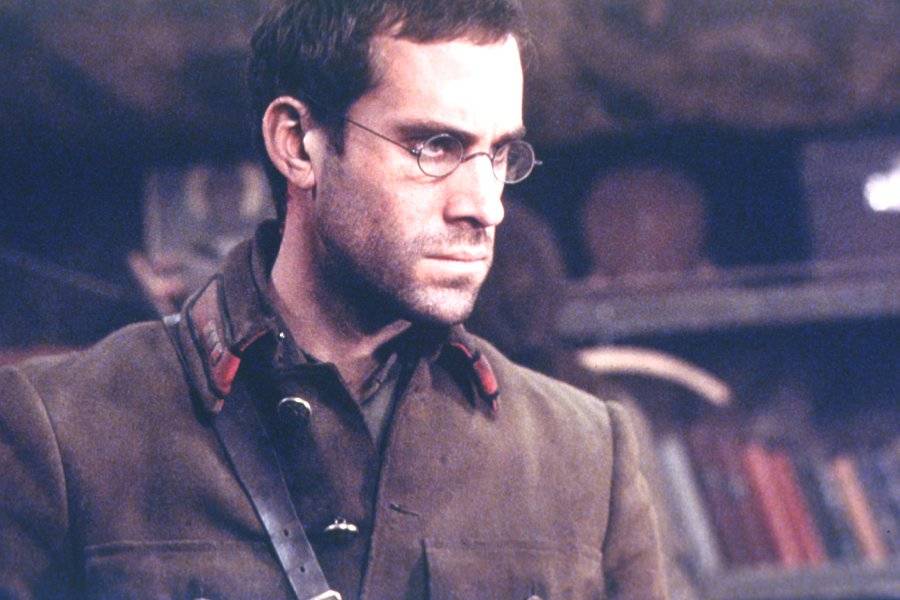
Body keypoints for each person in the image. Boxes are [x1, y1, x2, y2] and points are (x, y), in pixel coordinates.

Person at [0, 1, 667, 598]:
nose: (484, 207)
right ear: (297, 144)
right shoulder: (65, 433)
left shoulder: (585, 456)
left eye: (499, 155)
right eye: (435, 147)